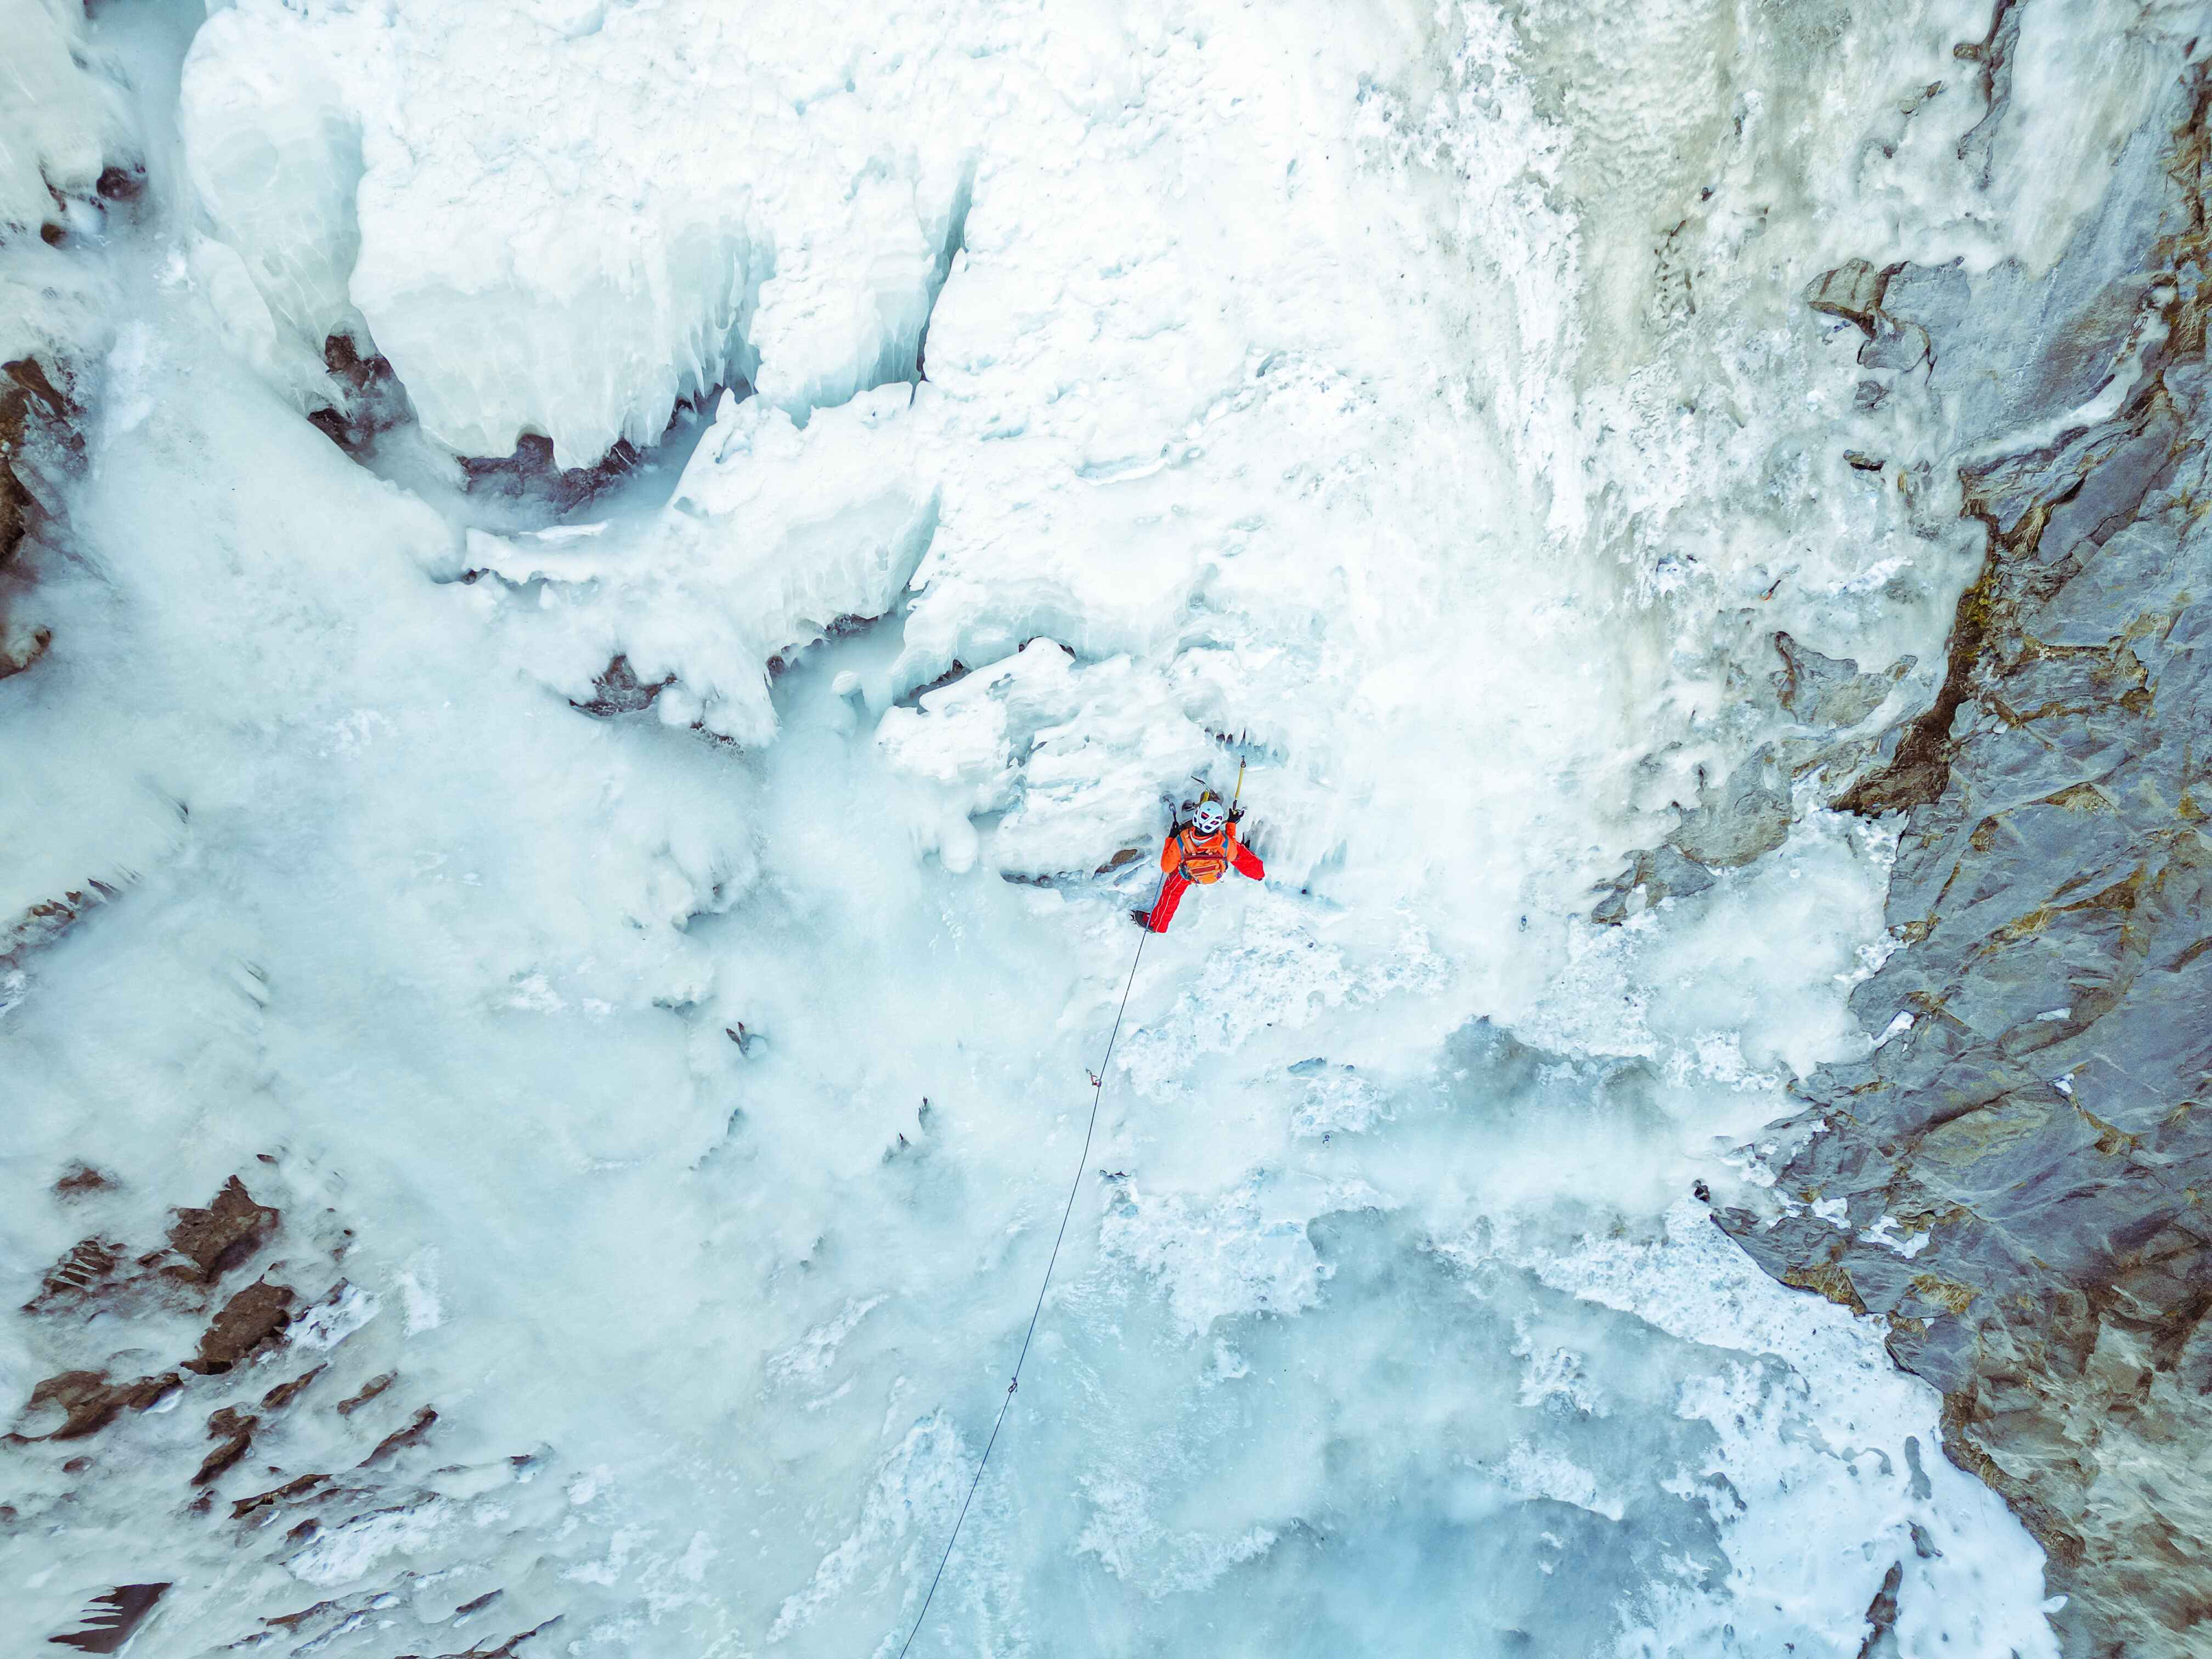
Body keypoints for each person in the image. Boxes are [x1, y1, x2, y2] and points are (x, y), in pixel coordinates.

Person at [1136, 791, 1263, 933]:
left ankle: (1157, 924)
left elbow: (1167, 867)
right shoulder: (1224, 843)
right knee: (1236, 849)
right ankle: (1257, 872)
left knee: (1172, 891)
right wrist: (1231, 824)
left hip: (1189, 874)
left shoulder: (1181, 842)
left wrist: (1171, 838)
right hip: (1215, 873)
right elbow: (1232, 856)